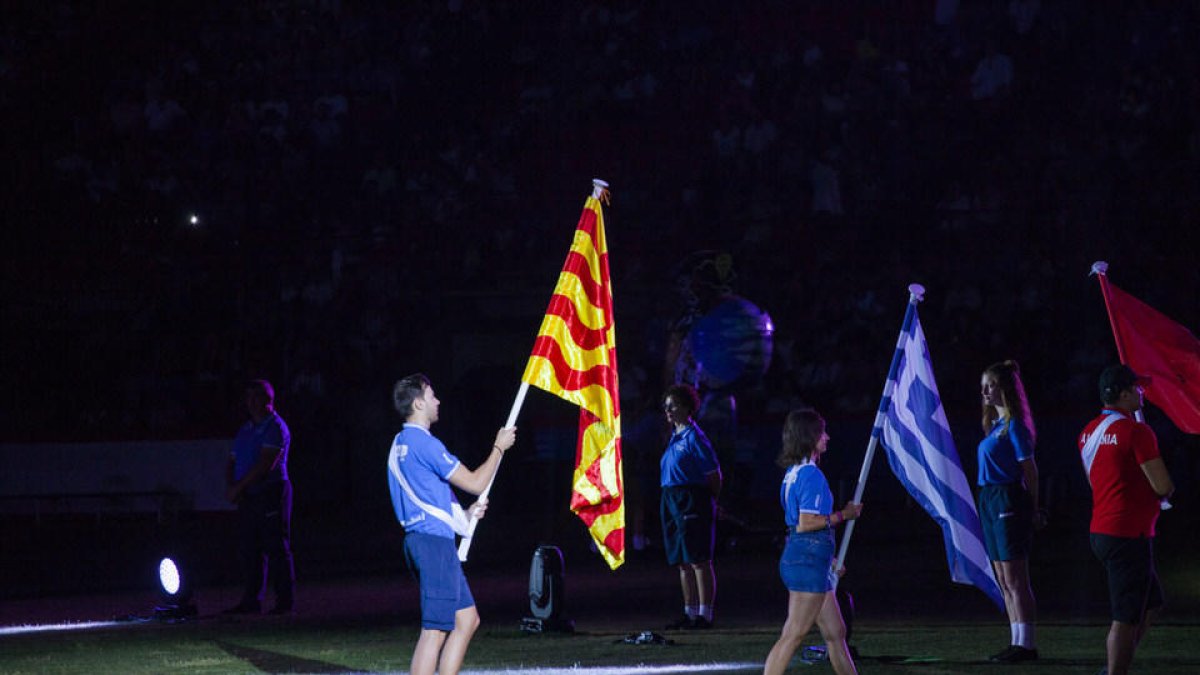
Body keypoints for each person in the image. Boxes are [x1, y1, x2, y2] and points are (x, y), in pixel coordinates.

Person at [387, 373, 516, 675]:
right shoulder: (424, 443)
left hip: (425, 541)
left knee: (467, 620)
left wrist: (465, 517)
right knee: (435, 629)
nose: (438, 401)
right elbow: (475, 481)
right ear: (418, 403)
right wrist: (499, 447)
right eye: (432, 396)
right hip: (432, 543)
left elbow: (428, 495)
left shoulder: (399, 443)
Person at [1078, 364, 1174, 675]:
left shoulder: (1087, 433)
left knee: (1151, 604)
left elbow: (1101, 481)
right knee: (1126, 615)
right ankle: (1114, 670)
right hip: (1127, 535)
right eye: (1137, 388)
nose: (1142, 392)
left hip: (1103, 531)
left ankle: (1115, 665)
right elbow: (1163, 486)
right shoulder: (1136, 431)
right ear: (1123, 393)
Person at [764, 409, 861, 675]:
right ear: (809, 437)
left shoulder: (793, 473)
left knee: (836, 632)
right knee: (793, 634)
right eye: (822, 432)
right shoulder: (811, 475)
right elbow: (806, 523)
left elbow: (798, 526)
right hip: (807, 561)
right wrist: (845, 514)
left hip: (805, 558)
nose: (827, 437)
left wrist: (827, 560)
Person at [976, 360, 1044, 662]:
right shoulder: (994, 426)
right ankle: (1015, 640)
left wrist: (1034, 505)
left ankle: (1027, 645)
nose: (985, 391)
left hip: (1007, 498)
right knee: (1003, 579)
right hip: (989, 498)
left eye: (990, 384)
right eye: (983, 386)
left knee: (1016, 578)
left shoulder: (1015, 425)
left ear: (1004, 387)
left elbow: (1030, 469)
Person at [224, 379, 296, 615]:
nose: (251, 402)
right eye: (249, 397)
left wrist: (238, 487)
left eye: (256, 397)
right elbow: (233, 460)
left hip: (271, 491)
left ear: (268, 400)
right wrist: (232, 484)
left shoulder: (275, 427)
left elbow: (265, 464)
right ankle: (251, 600)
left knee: (276, 547)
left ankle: (284, 602)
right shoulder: (246, 429)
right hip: (250, 494)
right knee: (250, 548)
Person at [659, 383, 722, 630]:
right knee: (682, 560)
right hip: (671, 498)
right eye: (666, 407)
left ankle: (705, 615)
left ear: (686, 408)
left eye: (673, 406)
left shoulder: (695, 437)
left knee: (699, 559)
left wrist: (710, 501)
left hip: (691, 498)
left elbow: (714, 474)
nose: (668, 411)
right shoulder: (674, 437)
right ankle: (689, 612)